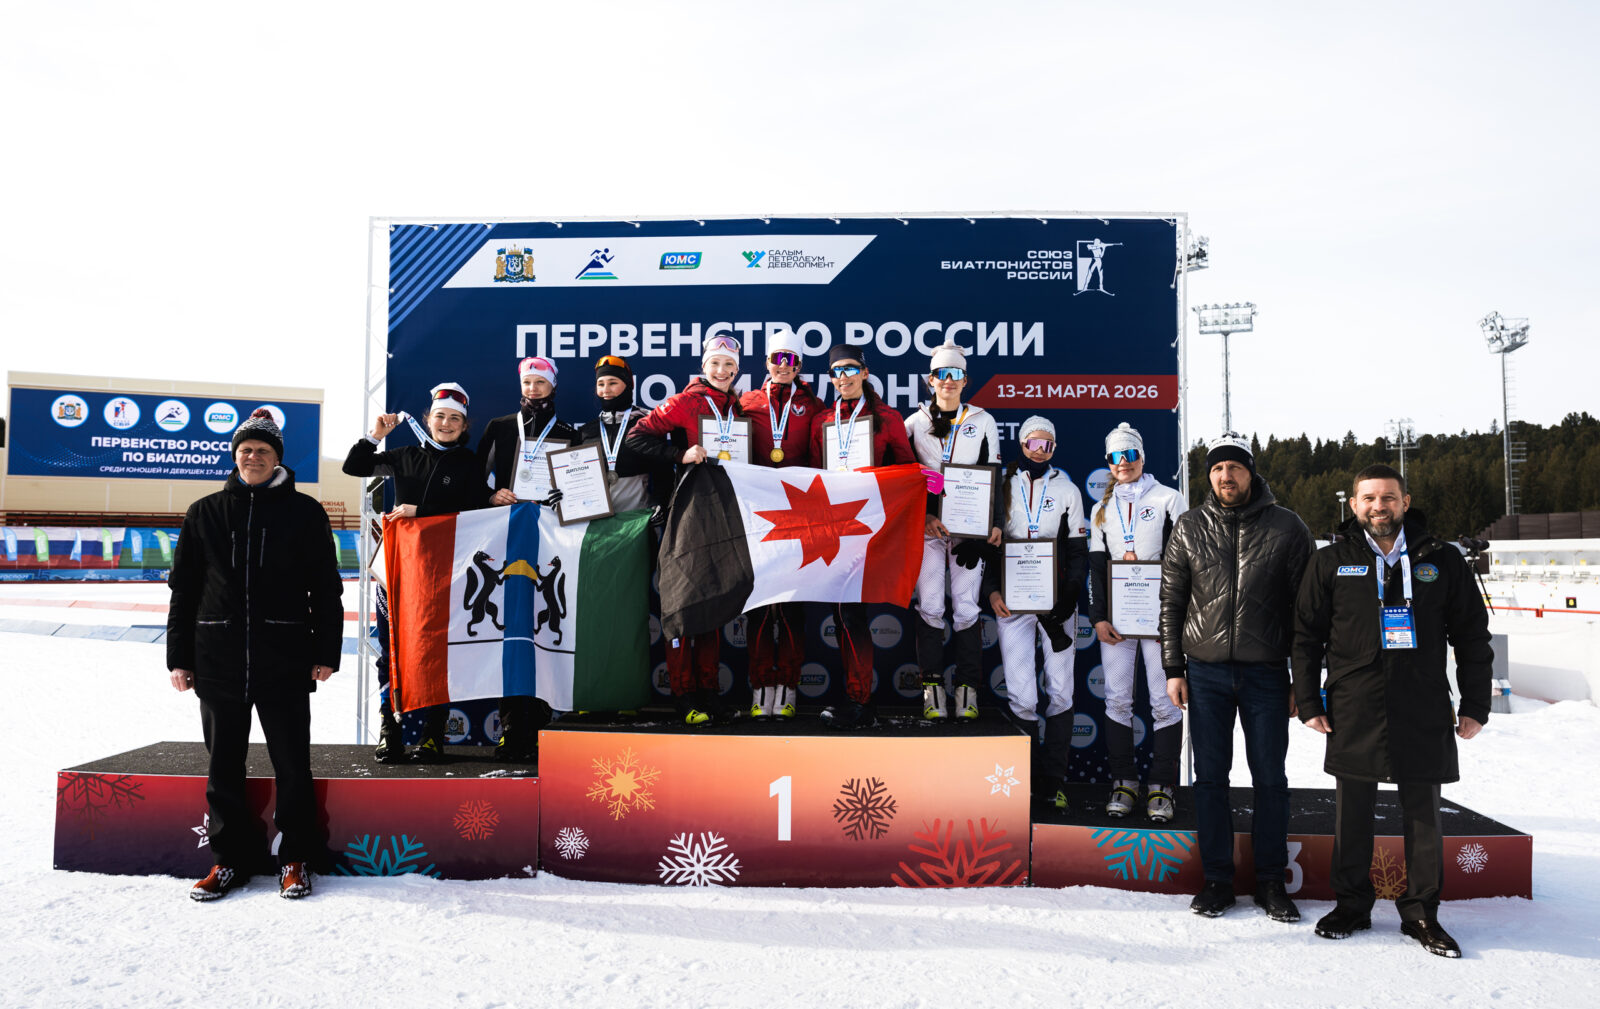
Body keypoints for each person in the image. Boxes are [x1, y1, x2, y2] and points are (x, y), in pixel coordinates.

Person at [1292, 464, 1493, 958]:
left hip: (1422, 703)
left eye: (1387, 498)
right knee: (1352, 813)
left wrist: (1476, 704)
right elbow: (1306, 637)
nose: (1378, 507)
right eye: (1368, 498)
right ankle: (1351, 905)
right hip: (1353, 704)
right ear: (1354, 505)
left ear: (1405, 502)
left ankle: (1421, 911)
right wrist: (1309, 701)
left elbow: (1471, 636)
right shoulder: (1331, 560)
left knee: (1423, 815)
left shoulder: (1441, 559)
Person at [168, 409, 343, 900]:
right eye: (245, 450)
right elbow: (184, 589)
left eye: (263, 450)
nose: (253, 457)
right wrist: (179, 657)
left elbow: (325, 588)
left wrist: (326, 651)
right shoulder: (204, 512)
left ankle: (295, 859)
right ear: (235, 456)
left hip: (284, 657)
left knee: (293, 764)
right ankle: (230, 861)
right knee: (223, 767)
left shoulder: (305, 512)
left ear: (277, 458)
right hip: (217, 659)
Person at [1160, 432, 1313, 921]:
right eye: (1217, 469)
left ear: (1251, 472)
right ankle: (1217, 881)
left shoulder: (1288, 526)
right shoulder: (1189, 526)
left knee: (1270, 778)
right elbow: (1171, 601)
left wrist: (1302, 680)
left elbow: (1307, 612)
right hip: (1204, 673)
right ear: (1209, 476)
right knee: (1210, 779)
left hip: (1267, 674)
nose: (1226, 476)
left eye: (1235, 467)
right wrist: (1173, 668)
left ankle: (1271, 882)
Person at [344, 382, 493, 762]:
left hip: (446, 570)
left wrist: (420, 512)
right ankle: (389, 732)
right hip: (397, 569)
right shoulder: (405, 455)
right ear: (428, 419)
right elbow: (354, 466)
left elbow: (476, 510)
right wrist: (375, 435)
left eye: (455, 419)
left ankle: (431, 736)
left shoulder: (469, 462)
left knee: (439, 650)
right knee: (390, 650)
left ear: (464, 425)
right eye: (440, 416)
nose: (446, 424)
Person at [625, 334, 746, 725]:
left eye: (729, 365)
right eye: (715, 363)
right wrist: (680, 454)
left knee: (714, 600)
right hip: (687, 512)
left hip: (725, 512)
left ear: (737, 369)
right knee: (681, 603)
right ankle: (683, 695)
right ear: (703, 366)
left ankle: (709, 692)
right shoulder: (685, 401)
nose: (722, 371)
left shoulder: (737, 405)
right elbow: (636, 438)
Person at [476, 357, 582, 759]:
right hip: (506, 536)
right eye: (528, 382)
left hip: (550, 541)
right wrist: (490, 495)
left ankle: (540, 727)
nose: (533, 388)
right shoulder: (501, 427)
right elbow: (474, 477)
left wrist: (565, 498)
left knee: (544, 629)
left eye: (541, 382)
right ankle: (510, 729)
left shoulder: (569, 433)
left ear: (553, 386)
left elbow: (581, 489)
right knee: (510, 631)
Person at [1085, 422, 1187, 820]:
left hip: (1161, 619)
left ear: (1142, 457)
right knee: (1117, 699)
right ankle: (1124, 781)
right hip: (1119, 621)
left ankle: (1162, 785)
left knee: (1165, 701)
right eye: (1115, 456)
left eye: (1130, 454)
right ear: (1108, 462)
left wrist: (1176, 616)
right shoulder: (1101, 509)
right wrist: (1098, 618)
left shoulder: (1168, 498)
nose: (1123, 462)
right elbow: (1097, 569)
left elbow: (1185, 563)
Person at [981, 416, 1087, 800]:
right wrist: (992, 592)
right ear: (1022, 444)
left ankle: (1053, 783)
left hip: (1056, 604)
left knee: (1060, 691)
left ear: (1054, 448)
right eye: (1033, 444)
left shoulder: (1068, 490)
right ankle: (1026, 784)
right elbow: (989, 546)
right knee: (1022, 696)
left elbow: (1078, 552)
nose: (1040, 451)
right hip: (1013, 603)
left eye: (1047, 445)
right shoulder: (1003, 485)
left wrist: (1070, 597)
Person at [813, 345, 916, 730]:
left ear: (865, 372)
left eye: (850, 369)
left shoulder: (887, 417)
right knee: (842, 615)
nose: (843, 377)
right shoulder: (822, 420)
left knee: (852, 614)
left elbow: (908, 468)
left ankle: (860, 701)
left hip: (871, 528)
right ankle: (856, 698)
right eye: (836, 371)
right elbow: (812, 474)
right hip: (833, 530)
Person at [904, 342, 1002, 721]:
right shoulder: (914, 423)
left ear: (965, 381)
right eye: (941, 374)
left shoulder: (982, 420)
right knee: (930, 605)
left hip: (968, 530)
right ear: (930, 380)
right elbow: (904, 476)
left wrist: (991, 524)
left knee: (966, 606)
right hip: (927, 526)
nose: (948, 381)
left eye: (955, 374)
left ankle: (967, 690)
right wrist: (927, 515)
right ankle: (932, 690)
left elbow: (993, 473)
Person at [740, 330, 824, 720]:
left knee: (791, 608)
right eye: (777, 358)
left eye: (790, 359)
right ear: (767, 362)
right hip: (757, 516)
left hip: (798, 517)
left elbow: (823, 458)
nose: (783, 366)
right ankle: (761, 686)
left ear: (800, 365)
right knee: (759, 607)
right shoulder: (747, 403)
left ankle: (788, 687)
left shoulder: (814, 405)